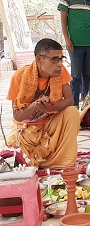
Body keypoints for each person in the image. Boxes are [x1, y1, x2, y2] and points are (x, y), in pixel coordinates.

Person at [6, 38, 79, 168]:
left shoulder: (60, 72)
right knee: (11, 157)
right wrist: (36, 105)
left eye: (61, 59)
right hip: (26, 129)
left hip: (50, 124)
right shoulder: (19, 76)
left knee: (72, 112)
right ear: (39, 59)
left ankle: (61, 161)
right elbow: (17, 116)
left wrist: (50, 106)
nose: (59, 64)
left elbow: (69, 100)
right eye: (54, 60)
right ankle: (38, 161)